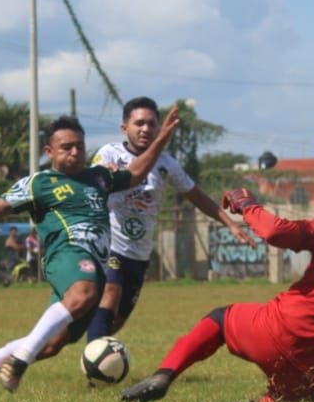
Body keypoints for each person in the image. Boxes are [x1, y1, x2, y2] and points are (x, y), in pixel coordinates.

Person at [120, 170, 314, 402]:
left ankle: (164, 374)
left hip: (277, 334)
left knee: (221, 319)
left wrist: (246, 204)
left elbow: (276, 232)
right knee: (284, 401)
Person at [0, 108, 180, 393]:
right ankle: (20, 361)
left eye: (79, 146)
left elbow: (136, 174)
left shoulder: (99, 177)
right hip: (67, 255)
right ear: (50, 151)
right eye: (67, 147)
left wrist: (161, 138)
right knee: (83, 294)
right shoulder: (39, 183)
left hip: (95, 267)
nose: (75, 152)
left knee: (52, 343)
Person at [85, 96, 256, 343]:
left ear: (159, 128)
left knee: (117, 320)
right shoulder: (109, 154)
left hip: (139, 253)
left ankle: (98, 351)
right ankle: (94, 368)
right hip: (108, 244)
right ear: (125, 128)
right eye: (139, 123)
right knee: (110, 292)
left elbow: (196, 195)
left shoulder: (167, 164)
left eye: (151, 124)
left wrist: (230, 223)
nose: (145, 129)